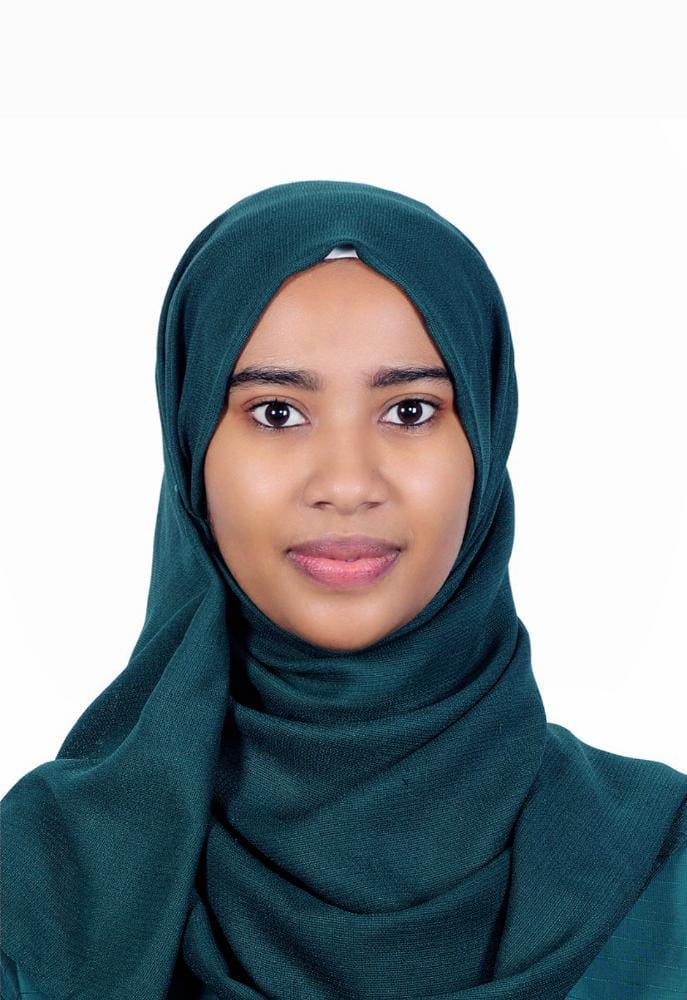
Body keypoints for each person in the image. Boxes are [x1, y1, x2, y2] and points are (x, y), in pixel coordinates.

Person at [1, 181, 685, 1000]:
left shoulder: (663, 866)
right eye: (276, 413)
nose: (347, 484)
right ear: (191, 450)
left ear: (485, 439)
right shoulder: (41, 882)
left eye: (409, 410)